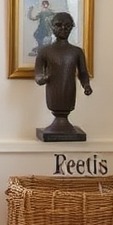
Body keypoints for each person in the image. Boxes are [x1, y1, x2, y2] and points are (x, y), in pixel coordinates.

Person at [33, 10, 92, 141]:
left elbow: (83, 72)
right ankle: (58, 122)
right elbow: (38, 73)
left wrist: (86, 85)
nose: (63, 28)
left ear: (72, 27)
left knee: (67, 103)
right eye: (59, 25)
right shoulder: (45, 51)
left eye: (67, 25)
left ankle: (64, 122)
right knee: (55, 104)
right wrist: (42, 79)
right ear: (52, 26)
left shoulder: (76, 52)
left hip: (69, 89)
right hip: (53, 91)